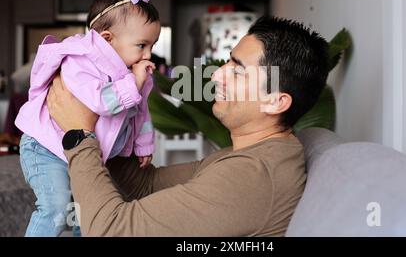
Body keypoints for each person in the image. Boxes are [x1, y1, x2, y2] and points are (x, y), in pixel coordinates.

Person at [47, 16, 330, 236]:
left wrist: (78, 134)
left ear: (275, 102)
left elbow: (110, 231)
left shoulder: (252, 176)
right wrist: (108, 119)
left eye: (237, 69)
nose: (218, 74)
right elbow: (146, 185)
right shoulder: (253, 153)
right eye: (227, 62)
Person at [15, 0, 161, 237]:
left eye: (152, 45)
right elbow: (100, 103)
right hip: (47, 148)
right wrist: (133, 83)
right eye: (142, 45)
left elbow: (141, 112)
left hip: (86, 154)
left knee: (91, 215)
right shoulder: (80, 60)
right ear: (106, 39)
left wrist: (143, 145)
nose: (148, 54)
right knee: (57, 208)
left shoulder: (134, 75)